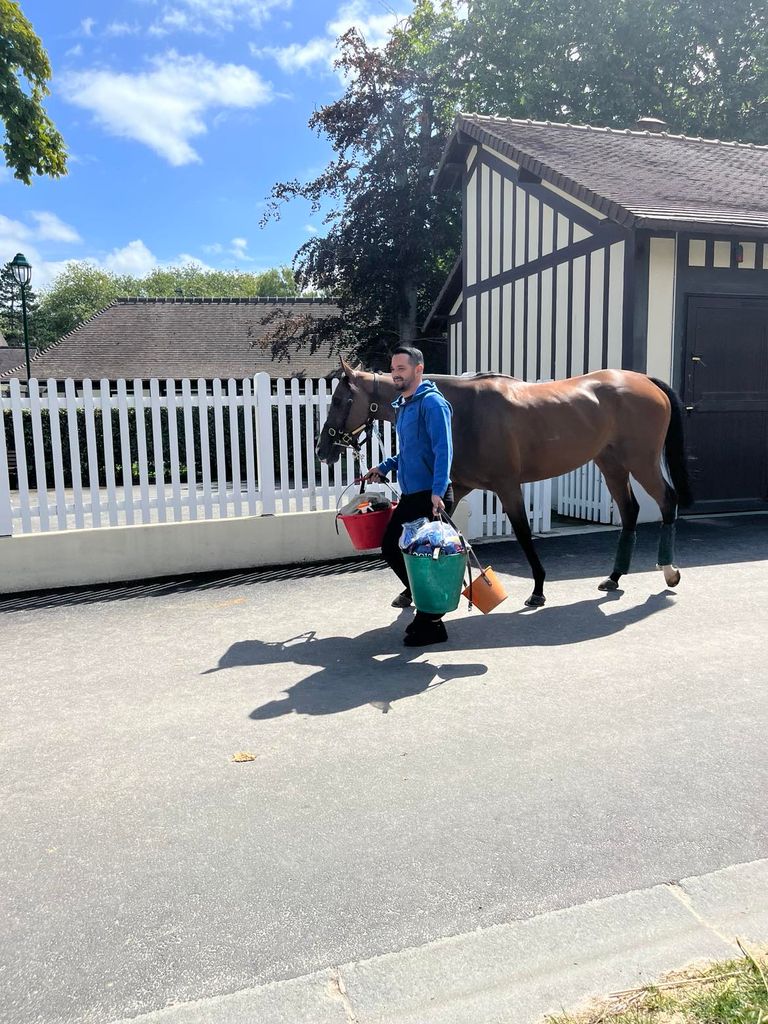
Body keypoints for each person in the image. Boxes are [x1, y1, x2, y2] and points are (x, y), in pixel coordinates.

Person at [364, 346, 454, 648]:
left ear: (418, 369)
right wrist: (385, 466)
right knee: (395, 549)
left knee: (425, 558)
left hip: (431, 496)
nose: (395, 374)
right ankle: (428, 609)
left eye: (401, 368)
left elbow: (444, 450)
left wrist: (438, 491)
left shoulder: (432, 403)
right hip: (412, 495)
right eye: (393, 368)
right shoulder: (405, 405)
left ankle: (432, 621)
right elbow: (411, 450)